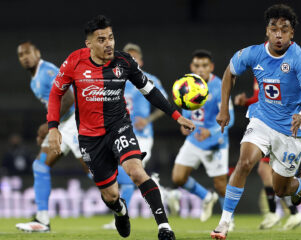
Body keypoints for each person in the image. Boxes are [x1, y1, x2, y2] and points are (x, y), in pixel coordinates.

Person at [46, 15, 194, 239]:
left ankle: (164, 227)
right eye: (102, 39)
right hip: (89, 137)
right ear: (89, 44)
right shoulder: (74, 62)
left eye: (111, 38)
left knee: (136, 171)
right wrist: (53, 127)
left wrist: (176, 116)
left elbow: (150, 91)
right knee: (111, 195)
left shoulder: (124, 62)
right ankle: (120, 210)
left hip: (119, 127)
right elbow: (56, 93)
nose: (109, 44)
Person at [211, 4, 301, 238]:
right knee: (244, 163)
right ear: (267, 31)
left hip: (290, 129)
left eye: (284, 30)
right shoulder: (253, 53)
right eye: (274, 28)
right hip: (261, 119)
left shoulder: (299, 58)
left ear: (292, 34)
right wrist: (224, 108)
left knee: (281, 190)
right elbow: (230, 72)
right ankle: (224, 223)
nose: (278, 34)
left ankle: (299, 185)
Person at [15, 41, 89, 233]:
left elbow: (69, 98)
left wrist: (48, 125)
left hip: (75, 120)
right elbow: (53, 105)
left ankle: (146, 184)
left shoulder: (47, 71)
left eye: (27, 53)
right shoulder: (34, 80)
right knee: (40, 165)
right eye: (21, 55)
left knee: (93, 170)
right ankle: (42, 220)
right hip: (62, 125)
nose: (24, 57)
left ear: (37, 53)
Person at [102, 43, 170, 230]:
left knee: (130, 175)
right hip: (121, 133)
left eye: (134, 57)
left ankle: (123, 214)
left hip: (142, 135)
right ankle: (166, 193)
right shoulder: (117, 78)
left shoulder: (149, 79)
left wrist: (147, 119)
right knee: (131, 175)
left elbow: (163, 103)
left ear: (139, 60)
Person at [170, 50, 234, 226]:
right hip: (194, 140)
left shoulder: (220, 86)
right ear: (192, 67)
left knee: (221, 186)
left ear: (211, 67)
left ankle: (229, 220)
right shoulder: (186, 85)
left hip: (215, 143)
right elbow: (186, 112)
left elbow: (231, 118)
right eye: (197, 66)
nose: (200, 69)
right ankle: (206, 196)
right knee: (178, 178)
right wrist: (184, 126)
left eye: (204, 65)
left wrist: (211, 131)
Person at [235, 79, 301, 230]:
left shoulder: (269, 67)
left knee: (269, 172)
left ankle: (282, 213)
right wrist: (247, 101)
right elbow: (261, 97)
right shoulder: (260, 68)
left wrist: (246, 101)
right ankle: (290, 214)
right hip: (269, 122)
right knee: (269, 171)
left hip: (277, 124)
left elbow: (268, 98)